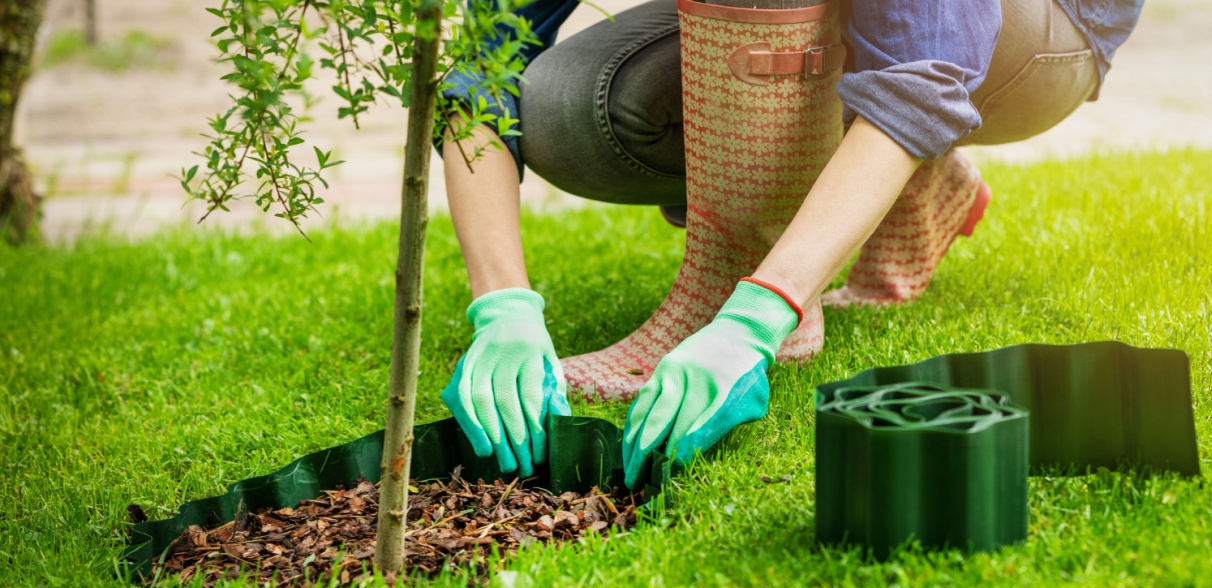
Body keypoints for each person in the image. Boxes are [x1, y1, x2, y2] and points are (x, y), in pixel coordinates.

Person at [439, 0, 1144, 486]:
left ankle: (744, 273)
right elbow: (486, 68)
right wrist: (501, 305)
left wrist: (755, 318)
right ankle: (905, 176)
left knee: (907, 75)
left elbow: (925, 68)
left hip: (1038, 33)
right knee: (566, 103)